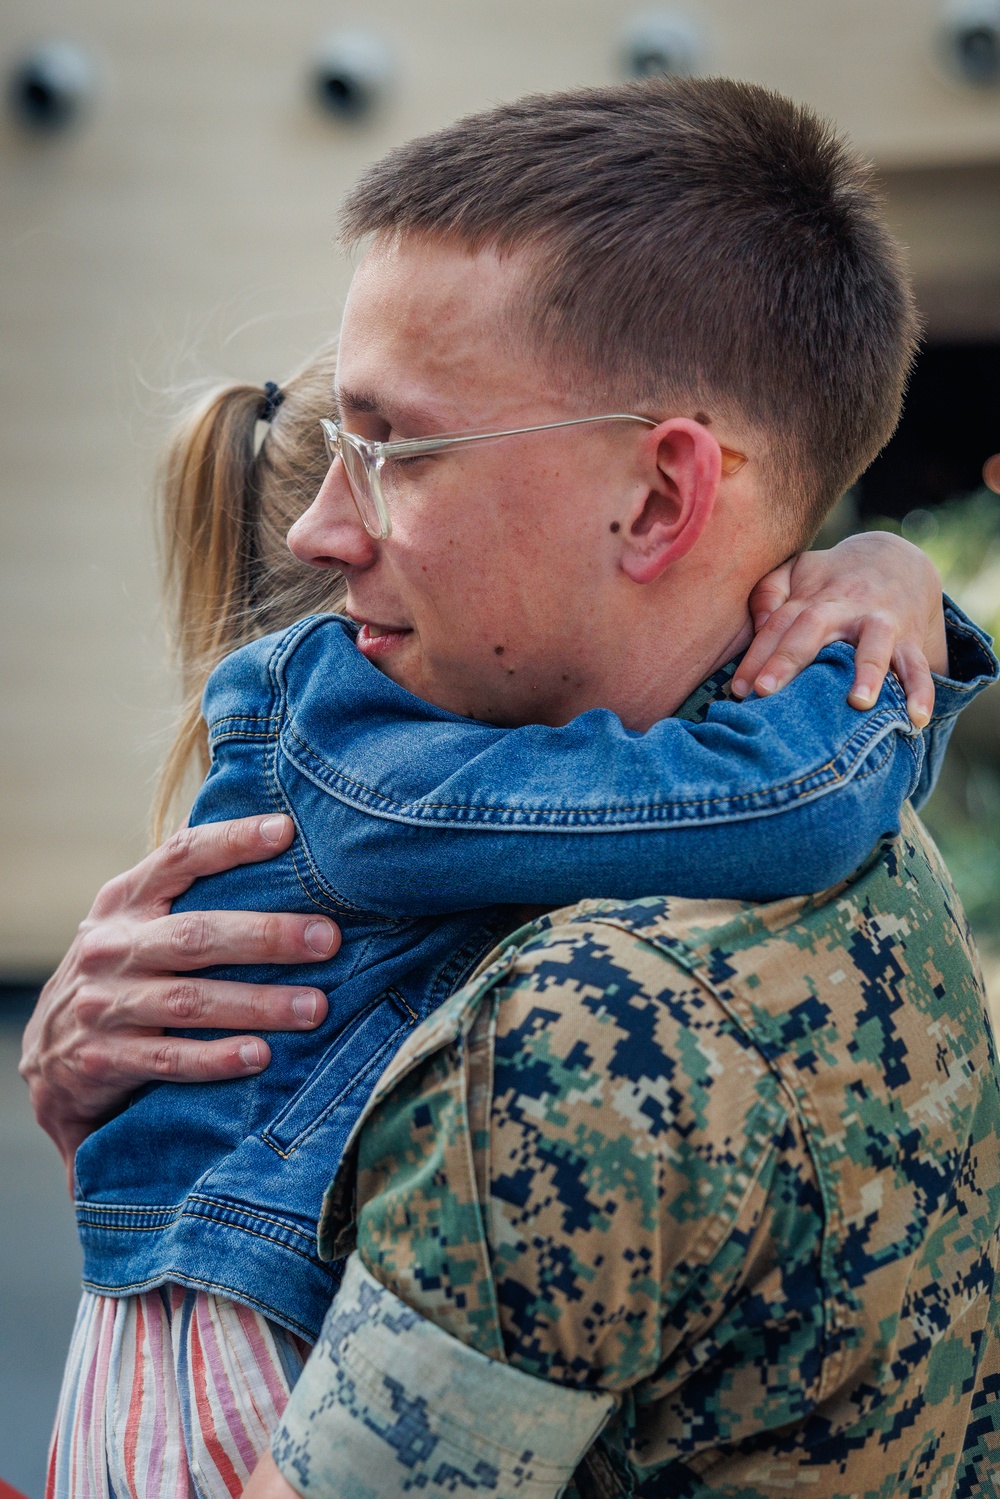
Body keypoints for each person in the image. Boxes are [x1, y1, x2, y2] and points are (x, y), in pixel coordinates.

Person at [21, 75, 999, 1496]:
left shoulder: (575, 1033)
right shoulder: (864, 857)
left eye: (395, 450)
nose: (313, 530)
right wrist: (894, 628)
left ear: (662, 497)